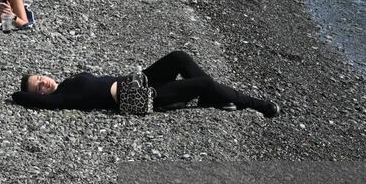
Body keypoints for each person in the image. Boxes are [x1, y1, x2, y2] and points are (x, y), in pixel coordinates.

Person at [15, 51, 279, 117]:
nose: (43, 84)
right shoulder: (60, 98)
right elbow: (22, 97)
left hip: (136, 81)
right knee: (204, 82)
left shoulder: (68, 83)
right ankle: (258, 105)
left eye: (40, 78)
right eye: (38, 87)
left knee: (179, 57)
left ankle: (214, 97)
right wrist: (22, 94)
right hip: (138, 98)